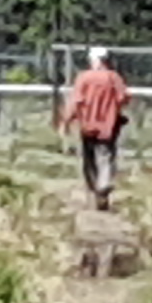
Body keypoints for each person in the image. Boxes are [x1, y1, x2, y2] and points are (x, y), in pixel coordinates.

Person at [59, 47, 131, 207]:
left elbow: (75, 102)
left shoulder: (83, 78)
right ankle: (103, 184)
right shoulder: (114, 78)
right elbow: (124, 98)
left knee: (88, 158)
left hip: (87, 125)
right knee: (105, 156)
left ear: (94, 60)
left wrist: (66, 122)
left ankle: (95, 188)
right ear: (106, 60)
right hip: (109, 125)